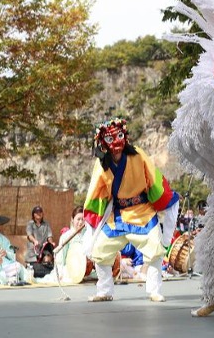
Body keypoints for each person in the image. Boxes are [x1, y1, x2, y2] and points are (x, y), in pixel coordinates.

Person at [83, 118, 179, 302]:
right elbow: (96, 192)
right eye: (110, 139)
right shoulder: (102, 164)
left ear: (124, 136)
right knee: (100, 250)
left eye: (119, 136)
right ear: (103, 142)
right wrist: (93, 216)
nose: (116, 144)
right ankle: (104, 291)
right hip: (117, 216)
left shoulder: (138, 155)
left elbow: (153, 179)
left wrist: (164, 199)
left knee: (155, 249)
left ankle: (154, 290)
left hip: (141, 211)